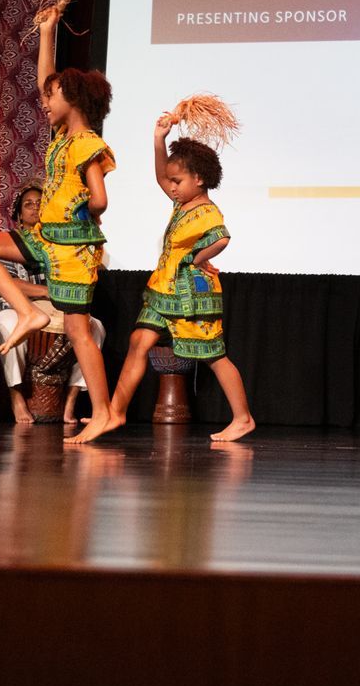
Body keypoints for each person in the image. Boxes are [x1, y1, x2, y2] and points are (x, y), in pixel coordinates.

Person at [0, 12, 115, 444]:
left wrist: (82, 209)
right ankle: (26, 312)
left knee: (78, 331)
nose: (44, 103)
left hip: (72, 249)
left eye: (52, 98)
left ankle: (103, 413)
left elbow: (100, 199)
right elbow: (45, 81)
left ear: (75, 100)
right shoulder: (63, 137)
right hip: (45, 238)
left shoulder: (86, 143)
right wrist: (48, 31)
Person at [93, 112, 254, 444]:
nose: (171, 187)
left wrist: (197, 258)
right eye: (172, 181)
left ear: (198, 178)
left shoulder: (206, 211)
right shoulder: (183, 203)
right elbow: (161, 176)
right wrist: (159, 140)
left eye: (177, 181)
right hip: (162, 290)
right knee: (139, 341)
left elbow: (222, 238)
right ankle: (115, 412)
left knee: (214, 356)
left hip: (189, 296)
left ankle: (243, 418)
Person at [0, 182, 99, 425]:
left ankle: (71, 401)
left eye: (40, 203)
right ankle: (16, 398)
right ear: (18, 215)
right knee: (8, 324)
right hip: (13, 308)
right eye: (28, 204)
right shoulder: (7, 242)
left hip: (58, 310)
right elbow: (6, 282)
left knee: (95, 327)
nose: (35, 207)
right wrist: (47, 291)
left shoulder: (61, 244)